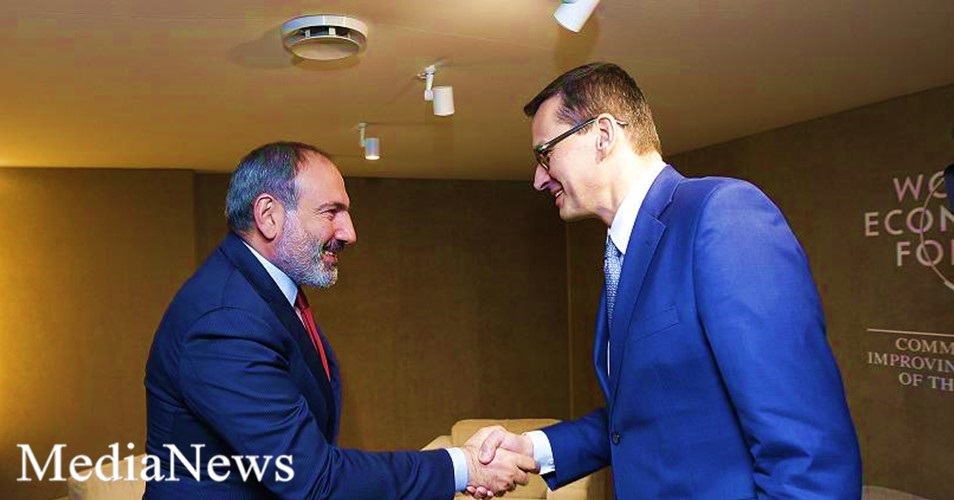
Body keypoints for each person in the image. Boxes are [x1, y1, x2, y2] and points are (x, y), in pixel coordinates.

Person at [473, 63, 862, 499]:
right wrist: (532, 449)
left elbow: (809, 457)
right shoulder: (624, 250)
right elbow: (640, 417)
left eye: (545, 154)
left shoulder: (723, 215)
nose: (538, 179)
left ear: (602, 135)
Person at [144, 142, 534, 499]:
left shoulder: (262, 295)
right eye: (331, 212)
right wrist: (461, 467)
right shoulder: (227, 321)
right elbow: (312, 478)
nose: (349, 233)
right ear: (268, 215)